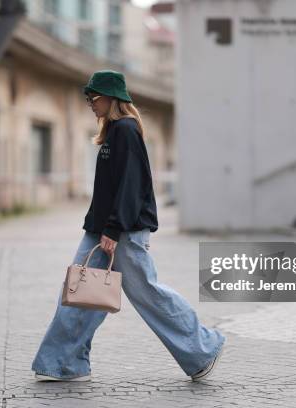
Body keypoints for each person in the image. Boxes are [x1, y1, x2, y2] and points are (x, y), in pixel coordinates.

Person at [31, 70, 226, 382]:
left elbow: (131, 185)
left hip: (122, 231)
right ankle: (66, 362)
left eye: (93, 97)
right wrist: (101, 225)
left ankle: (202, 347)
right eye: (87, 98)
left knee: (146, 292)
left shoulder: (126, 129)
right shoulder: (112, 132)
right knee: (79, 290)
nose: (89, 103)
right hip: (101, 228)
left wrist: (113, 228)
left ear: (112, 98)